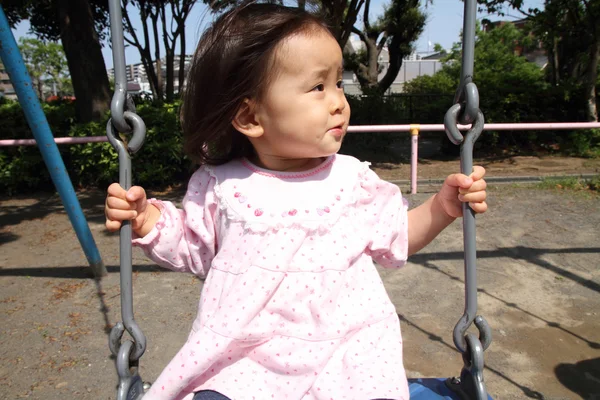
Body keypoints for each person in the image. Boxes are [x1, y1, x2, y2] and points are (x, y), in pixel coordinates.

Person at [105, 3, 488, 400]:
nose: (339, 100)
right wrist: (146, 218)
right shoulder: (221, 186)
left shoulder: (351, 179)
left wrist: (443, 208)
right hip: (245, 360)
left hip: (347, 353)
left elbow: (398, 234)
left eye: (339, 82)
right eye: (318, 87)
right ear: (250, 117)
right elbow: (191, 244)